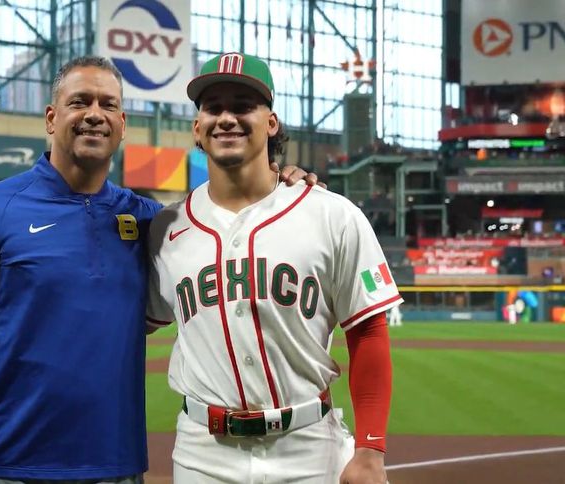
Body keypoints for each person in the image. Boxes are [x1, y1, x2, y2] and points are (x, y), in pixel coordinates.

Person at [0, 55, 318, 484]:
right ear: (52, 119)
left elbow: (227, 221)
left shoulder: (154, 222)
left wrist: (279, 187)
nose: (95, 114)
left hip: (118, 467)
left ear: (123, 124)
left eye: (108, 104)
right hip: (9, 464)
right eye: (80, 102)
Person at [146, 52, 400, 484]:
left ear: (271, 122)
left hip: (310, 449)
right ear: (197, 127)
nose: (227, 118)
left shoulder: (331, 215)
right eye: (213, 107)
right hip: (203, 456)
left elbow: (368, 332)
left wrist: (371, 449)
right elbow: (130, 327)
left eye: (243, 106)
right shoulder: (166, 228)